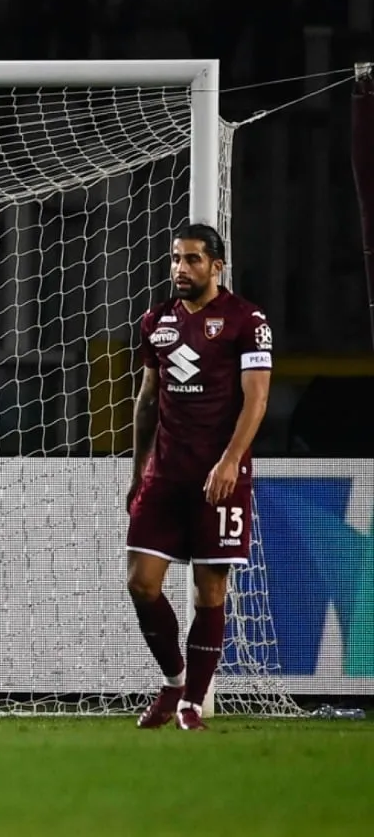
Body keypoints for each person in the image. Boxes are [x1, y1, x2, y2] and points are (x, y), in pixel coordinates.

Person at [126, 224, 272, 731]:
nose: (180, 269)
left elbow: (256, 399)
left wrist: (231, 460)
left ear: (217, 266)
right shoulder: (155, 321)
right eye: (175, 260)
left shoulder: (245, 320)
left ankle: (192, 703)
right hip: (164, 474)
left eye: (191, 260)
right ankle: (173, 681)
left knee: (210, 591)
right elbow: (147, 400)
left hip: (219, 475)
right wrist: (138, 468)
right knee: (141, 584)